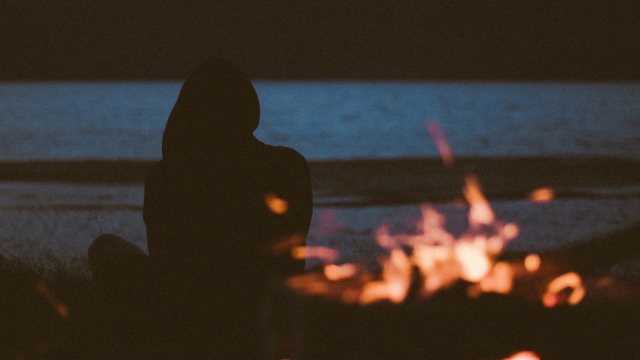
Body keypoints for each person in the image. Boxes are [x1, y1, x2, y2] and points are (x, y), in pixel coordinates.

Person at [88, 58, 313, 359]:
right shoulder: (290, 166)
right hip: (264, 310)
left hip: (189, 316)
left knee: (104, 246)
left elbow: (164, 261)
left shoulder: (168, 176)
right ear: (248, 109)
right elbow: (292, 258)